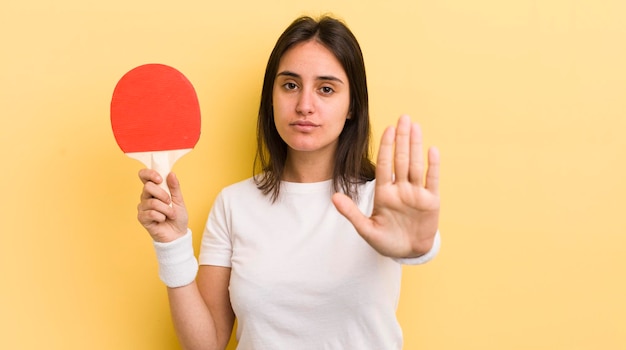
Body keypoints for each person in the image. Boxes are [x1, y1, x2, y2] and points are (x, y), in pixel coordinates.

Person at [137, 15, 441, 350]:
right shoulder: (233, 204)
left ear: (352, 105)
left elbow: (416, 242)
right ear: (271, 97)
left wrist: (419, 248)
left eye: (326, 89)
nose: (304, 106)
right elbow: (205, 345)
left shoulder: (381, 199)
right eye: (290, 85)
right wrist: (172, 244)